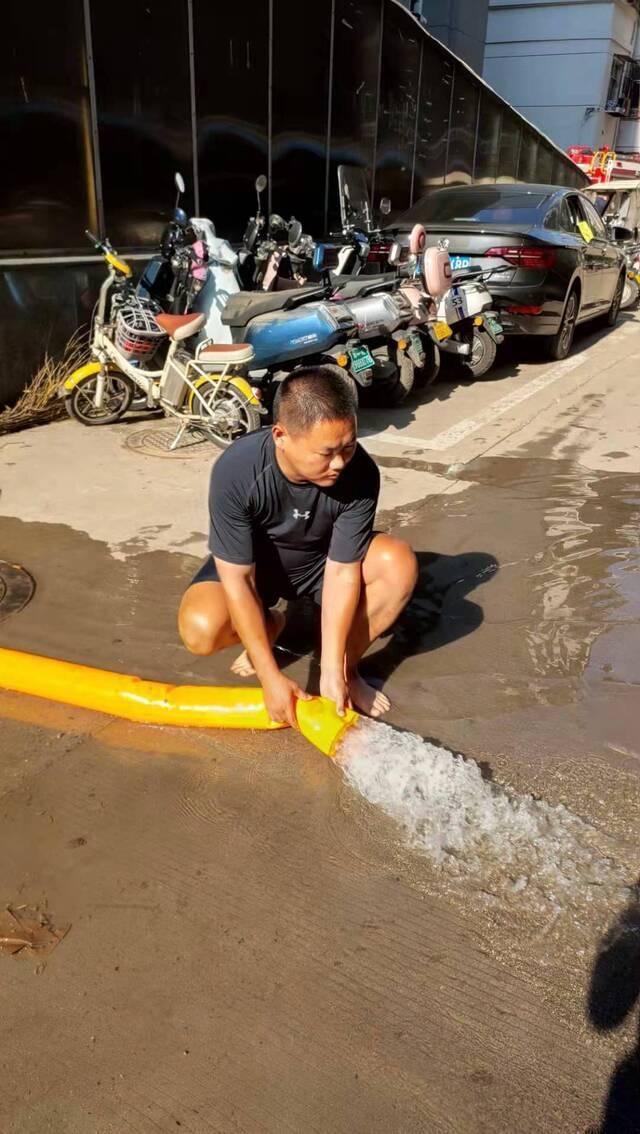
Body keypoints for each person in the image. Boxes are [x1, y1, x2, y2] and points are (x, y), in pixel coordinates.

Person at [178, 364, 418, 729]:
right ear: (281, 436)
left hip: (322, 567)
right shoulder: (237, 470)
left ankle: (348, 672)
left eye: (348, 447)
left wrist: (334, 670)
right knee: (200, 629)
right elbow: (238, 580)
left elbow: (341, 570)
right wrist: (269, 677)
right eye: (326, 453)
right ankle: (271, 622)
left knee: (397, 563)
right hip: (259, 570)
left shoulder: (361, 472)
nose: (339, 463)